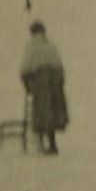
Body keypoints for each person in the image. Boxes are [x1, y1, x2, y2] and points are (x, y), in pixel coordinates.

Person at [20, 21, 68, 154]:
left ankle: (41, 141)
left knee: (41, 111)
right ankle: (52, 143)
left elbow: (25, 68)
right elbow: (59, 65)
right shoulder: (51, 45)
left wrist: (27, 86)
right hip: (55, 80)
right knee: (53, 110)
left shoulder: (31, 46)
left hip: (40, 81)